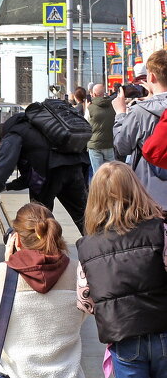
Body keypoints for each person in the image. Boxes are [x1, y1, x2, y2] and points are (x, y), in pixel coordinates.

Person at [76, 161, 167, 378]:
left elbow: (84, 301)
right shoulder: (160, 230)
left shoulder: (87, 247)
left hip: (123, 337)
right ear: (137, 190)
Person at [0, 203, 85, 378]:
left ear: (17, 239)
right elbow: (84, 311)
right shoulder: (77, 270)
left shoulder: (1, 273)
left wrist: (8, 264)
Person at [0, 104, 90, 234]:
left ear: (0, 139)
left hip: (48, 174)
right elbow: (27, 178)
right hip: (74, 167)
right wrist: (6, 187)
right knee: (84, 217)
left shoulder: (13, 133)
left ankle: (41, 251)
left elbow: (3, 168)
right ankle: (103, 249)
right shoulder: (34, 127)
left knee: (39, 220)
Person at [113, 49, 167, 207]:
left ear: (151, 76)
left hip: (149, 194)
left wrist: (120, 114)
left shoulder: (140, 111)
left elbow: (121, 147)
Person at [87, 82, 116, 176]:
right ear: (104, 93)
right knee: (112, 173)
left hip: (94, 145)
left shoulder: (90, 108)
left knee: (98, 174)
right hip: (109, 143)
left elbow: (85, 124)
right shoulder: (112, 106)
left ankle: (100, 190)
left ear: (94, 94)